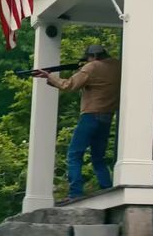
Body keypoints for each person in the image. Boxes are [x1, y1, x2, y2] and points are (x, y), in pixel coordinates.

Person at [33, 43, 121, 202]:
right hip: (107, 116)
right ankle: (107, 188)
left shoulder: (91, 67)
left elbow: (68, 85)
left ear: (93, 57)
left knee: (74, 154)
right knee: (98, 158)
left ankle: (75, 193)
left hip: (90, 115)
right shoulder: (118, 65)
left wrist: (49, 76)